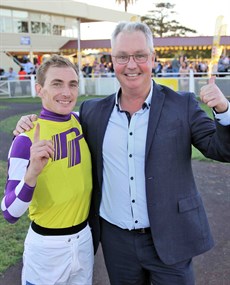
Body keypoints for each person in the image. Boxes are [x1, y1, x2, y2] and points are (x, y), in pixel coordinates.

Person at [13, 22, 230, 285]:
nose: (131, 64)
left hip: (171, 237)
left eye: (139, 55)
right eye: (122, 56)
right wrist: (29, 122)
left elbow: (222, 149)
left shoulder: (181, 104)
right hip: (117, 244)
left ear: (152, 58)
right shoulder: (93, 112)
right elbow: (58, 119)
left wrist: (223, 110)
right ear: (113, 60)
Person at [1, 55, 94, 285]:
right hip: (46, 248)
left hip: (84, 240)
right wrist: (32, 173)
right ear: (39, 89)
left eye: (72, 84)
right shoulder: (25, 138)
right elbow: (10, 212)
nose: (66, 92)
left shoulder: (83, 121)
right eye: (57, 83)